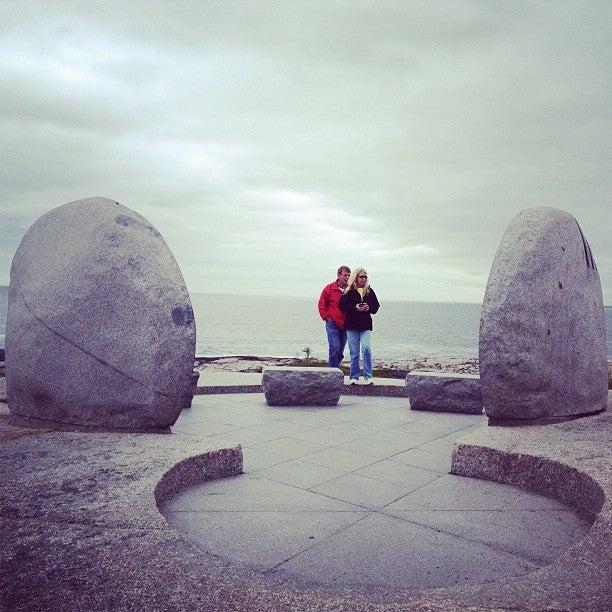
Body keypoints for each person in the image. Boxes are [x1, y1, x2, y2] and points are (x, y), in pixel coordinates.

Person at [339, 267, 380, 385]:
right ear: (356, 277)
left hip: (365, 325)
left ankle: (368, 376)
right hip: (351, 326)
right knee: (354, 352)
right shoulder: (348, 291)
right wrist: (355, 307)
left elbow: (376, 307)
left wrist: (369, 308)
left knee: (366, 349)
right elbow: (342, 307)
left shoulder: (369, 291)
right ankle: (354, 377)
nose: (363, 279)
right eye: (361, 276)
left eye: (365, 277)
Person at [318, 265, 351, 368]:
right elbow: (322, 304)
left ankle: (334, 368)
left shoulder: (351, 289)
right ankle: (332, 372)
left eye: (349, 275)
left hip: (346, 324)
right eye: (345, 275)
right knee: (334, 348)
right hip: (332, 323)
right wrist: (327, 317)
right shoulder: (329, 288)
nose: (347, 278)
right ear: (339, 275)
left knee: (340, 350)